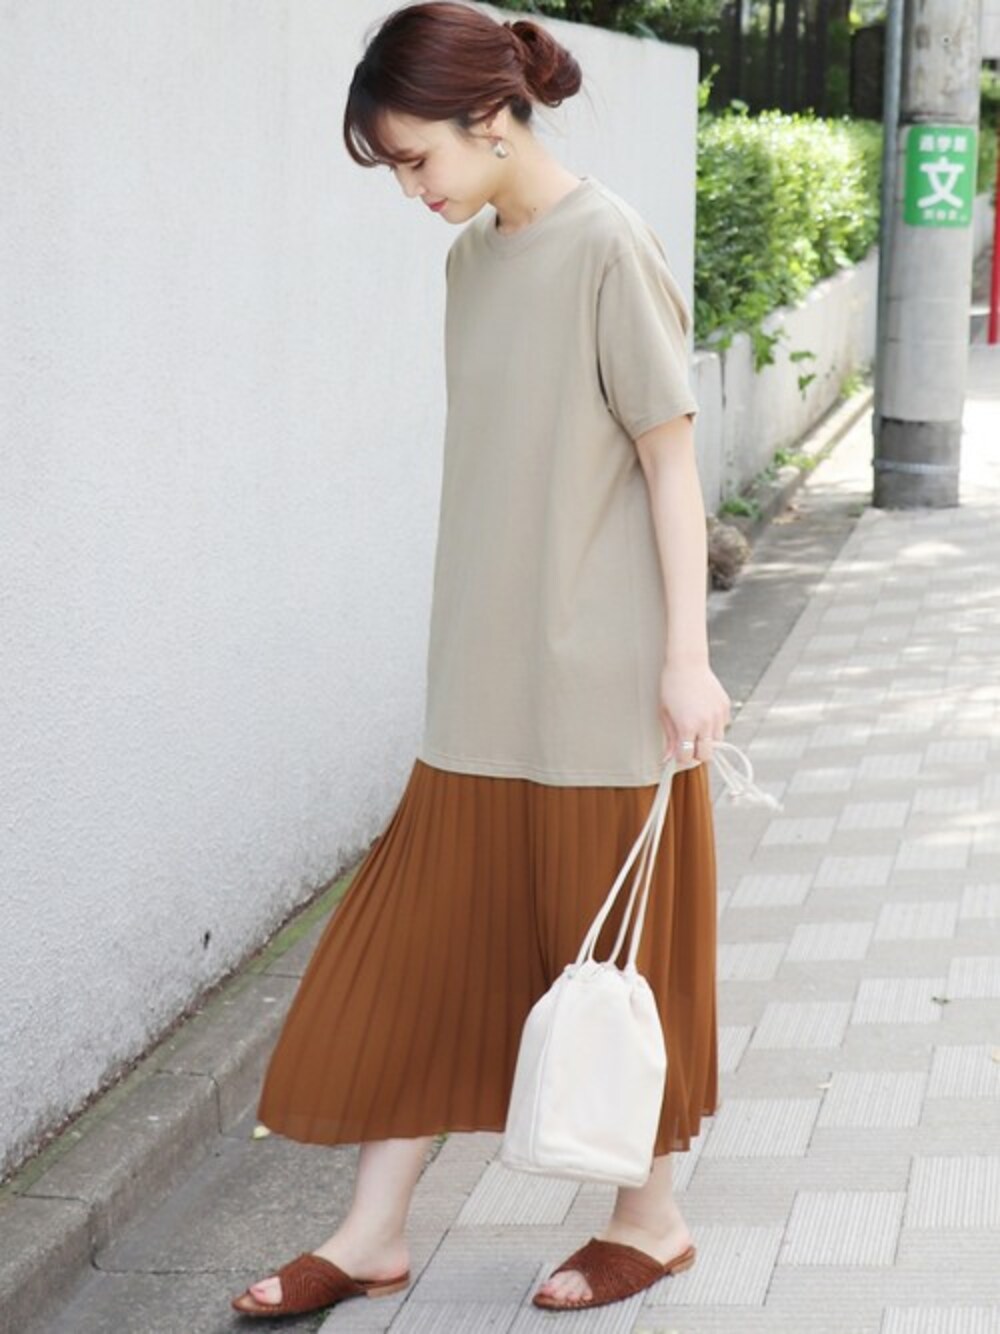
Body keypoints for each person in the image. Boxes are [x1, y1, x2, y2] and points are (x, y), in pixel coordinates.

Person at [231, 0, 731, 1319]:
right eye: (395, 169)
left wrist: (687, 659)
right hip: (478, 679)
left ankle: (652, 1218)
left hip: (599, 681)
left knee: (614, 958)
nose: (414, 190)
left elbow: (669, 463)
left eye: (417, 159)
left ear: (493, 118)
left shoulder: (606, 244)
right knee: (423, 951)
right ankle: (373, 1233)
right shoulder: (471, 262)